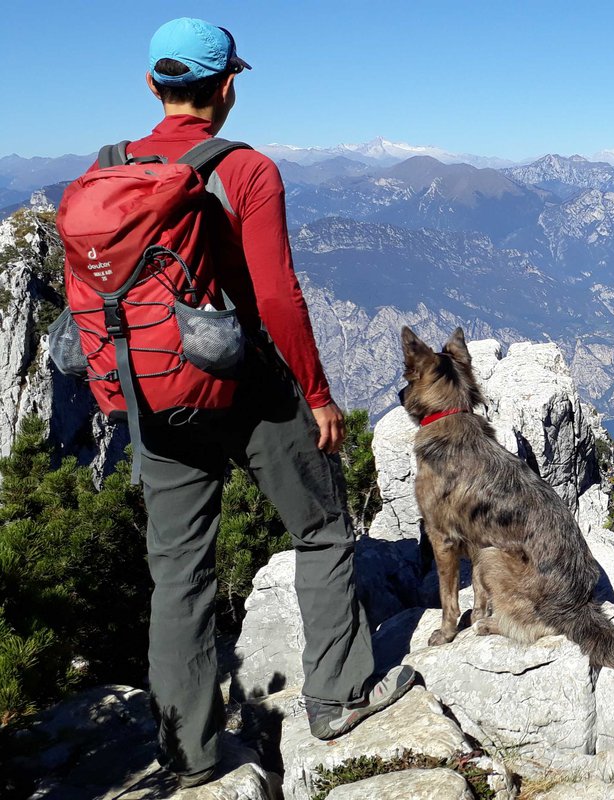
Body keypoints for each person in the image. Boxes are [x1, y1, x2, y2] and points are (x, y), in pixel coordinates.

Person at [101, 17, 416, 787]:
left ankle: (189, 752)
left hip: (153, 393)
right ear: (230, 86)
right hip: (248, 388)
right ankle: (338, 695)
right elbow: (275, 295)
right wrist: (317, 393)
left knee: (179, 572)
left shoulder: (110, 166)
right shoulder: (244, 169)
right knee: (321, 526)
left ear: (153, 86)